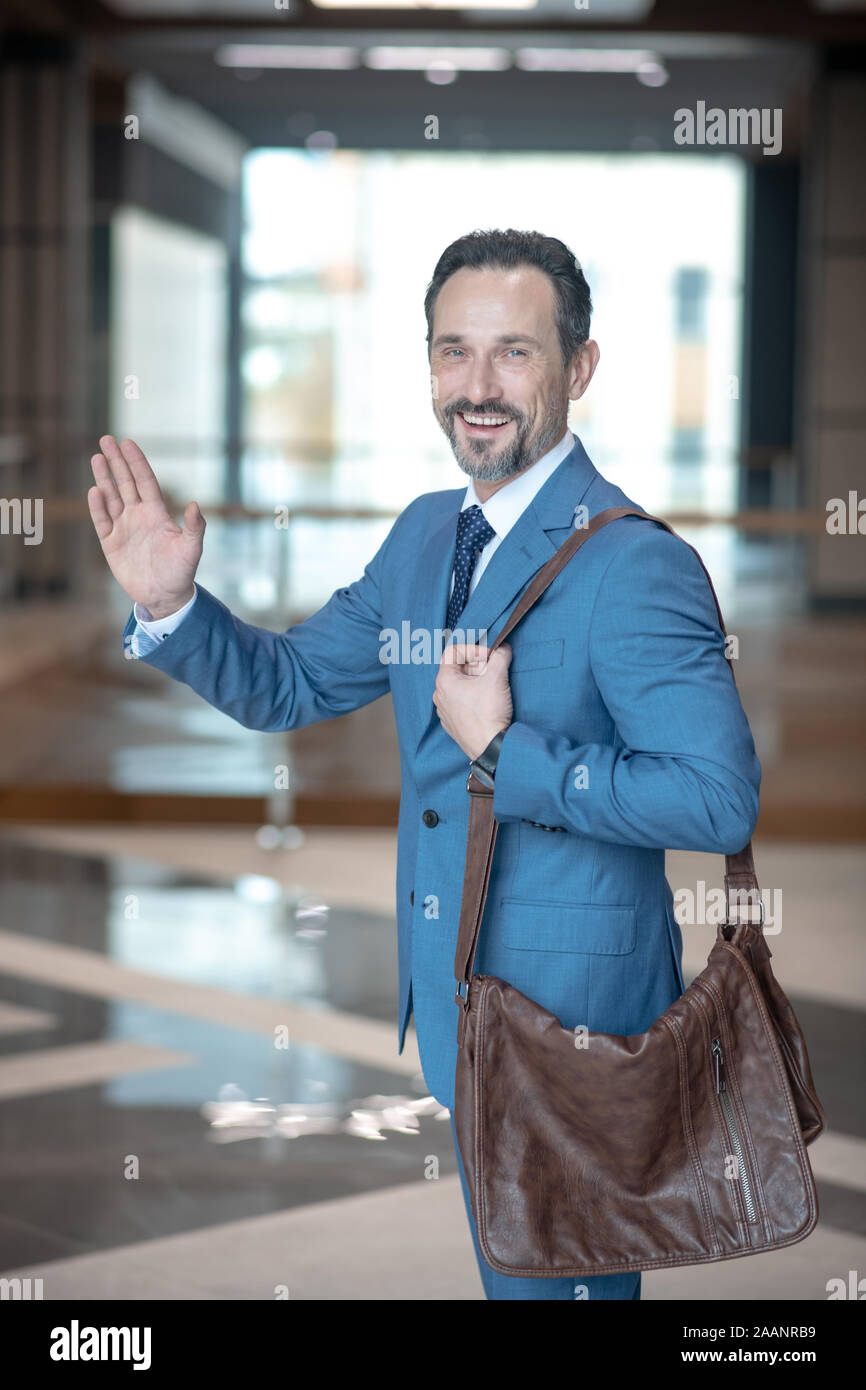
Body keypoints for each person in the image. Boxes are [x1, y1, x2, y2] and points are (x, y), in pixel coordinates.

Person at [87, 228, 761, 1301]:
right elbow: (290, 683)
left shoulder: (633, 563)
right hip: (464, 1016)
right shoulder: (420, 538)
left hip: (571, 1035)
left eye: (514, 353)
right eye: (452, 352)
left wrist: (505, 748)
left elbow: (719, 798)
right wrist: (172, 604)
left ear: (578, 368)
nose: (476, 387)